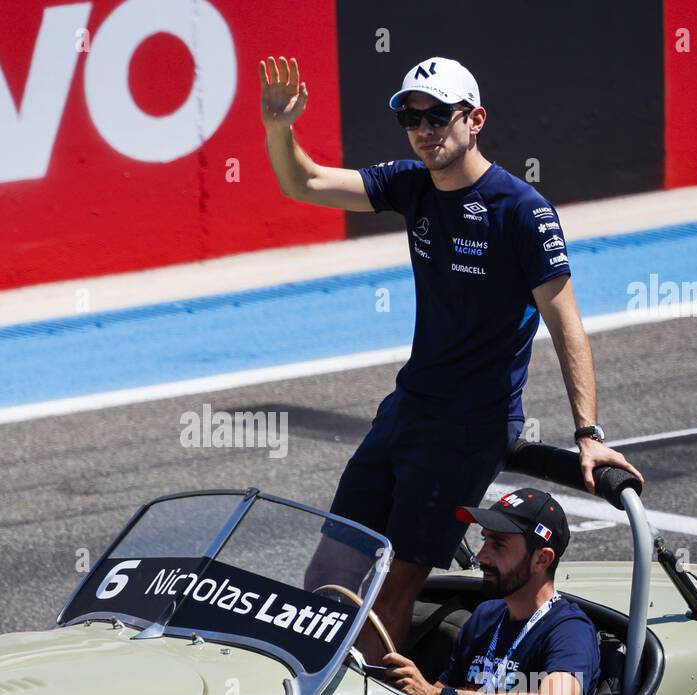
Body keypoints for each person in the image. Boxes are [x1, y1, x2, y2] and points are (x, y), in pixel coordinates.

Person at [259, 54, 642, 660]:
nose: (425, 129)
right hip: (407, 409)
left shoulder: (523, 211)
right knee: (327, 580)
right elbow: (302, 182)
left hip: (469, 427)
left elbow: (567, 324)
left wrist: (589, 434)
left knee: (393, 588)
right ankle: (326, 687)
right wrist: (280, 127)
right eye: (412, 118)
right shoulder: (410, 185)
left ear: (475, 119)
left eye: (439, 115)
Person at [383, 488, 600, 695]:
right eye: (485, 539)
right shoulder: (486, 616)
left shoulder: (569, 630)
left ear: (542, 559)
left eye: (498, 545)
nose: (481, 556)